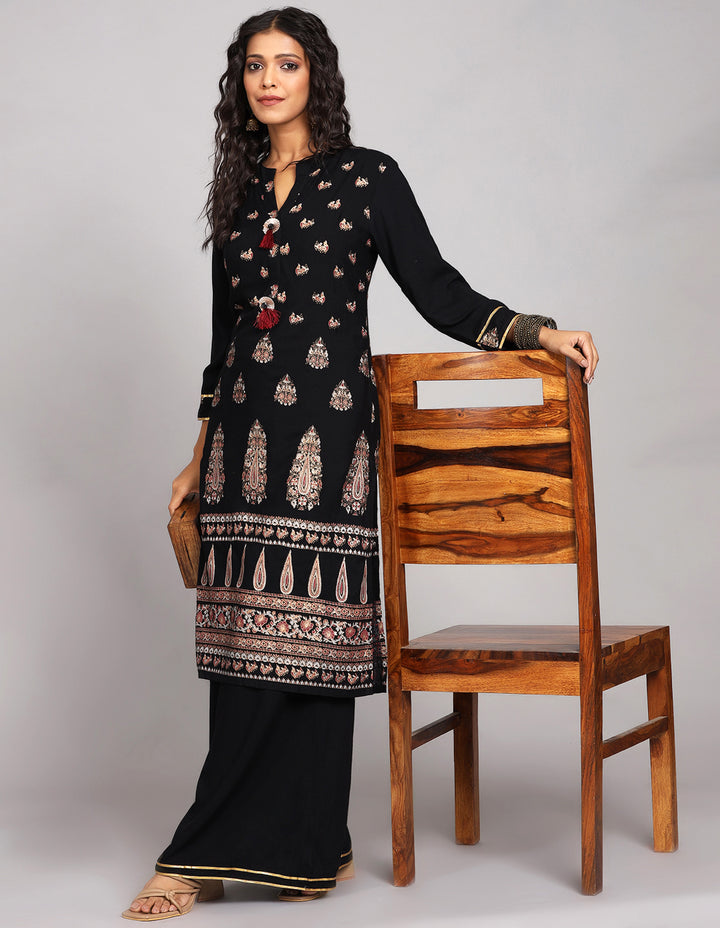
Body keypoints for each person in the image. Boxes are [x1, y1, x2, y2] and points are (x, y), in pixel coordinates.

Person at [123, 6, 599, 920]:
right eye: (255, 65)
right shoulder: (235, 196)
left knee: (312, 652)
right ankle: (255, 849)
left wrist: (539, 330)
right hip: (239, 453)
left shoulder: (367, 179)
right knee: (242, 656)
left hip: (329, 445)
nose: (270, 80)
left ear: (316, 77)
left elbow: (442, 293)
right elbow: (222, 348)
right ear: (241, 83)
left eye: (287, 64)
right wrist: (194, 460)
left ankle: (253, 849)